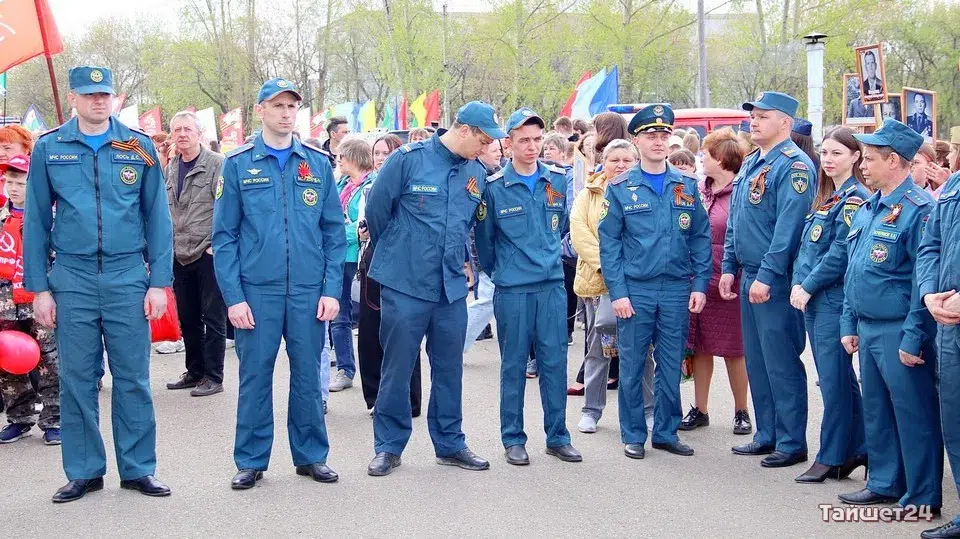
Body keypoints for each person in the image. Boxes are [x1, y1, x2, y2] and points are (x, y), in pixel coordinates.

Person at [24, 66, 174, 502]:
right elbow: (36, 220)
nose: (98, 101)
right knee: (76, 378)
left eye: (104, 94)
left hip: (128, 275)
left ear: (114, 98)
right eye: (89, 94)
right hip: (72, 276)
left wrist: (159, 282)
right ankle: (85, 470)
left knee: (133, 377)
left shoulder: (139, 147)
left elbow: (157, 218)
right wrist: (40, 288)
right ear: (73, 98)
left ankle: (138, 468)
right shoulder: (50, 147)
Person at [213, 78, 346, 490]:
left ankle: (311, 456)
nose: (286, 113)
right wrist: (234, 298)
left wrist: (331, 289)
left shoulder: (317, 164)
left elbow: (333, 232)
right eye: (278, 106)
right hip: (257, 292)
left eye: (292, 106)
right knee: (255, 377)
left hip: (308, 291)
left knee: (307, 376)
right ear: (261, 111)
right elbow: (224, 237)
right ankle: (251, 460)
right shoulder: (238, 164)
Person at [363, 101, 504, 476]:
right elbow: (377, 212)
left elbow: (468, 225)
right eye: (484, 140)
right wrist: (399, 254)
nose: (488, 148)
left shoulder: (475, 172)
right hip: (405, 283)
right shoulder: (408, 160)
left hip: (449, 288)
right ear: (464, 131)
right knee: (397, 368)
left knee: (449, 369)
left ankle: (450, 443)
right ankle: (389, 446)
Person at [836, 119, 942, 511]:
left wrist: (914, 336)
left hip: (899, 328)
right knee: (878, 411)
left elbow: (923, 280)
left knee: (914, 415)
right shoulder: (869, 207)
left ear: (894, 161)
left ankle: (922, 495)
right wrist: (849, 321)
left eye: (870, 159)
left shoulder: (920, 210)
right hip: (868, 325)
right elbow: (855, 270)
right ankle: (884, 481)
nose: (862, 165)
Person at [599, 104, 711, 459]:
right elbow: (609, 244)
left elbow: (700, 237)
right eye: (651, 135)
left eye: (664, 135)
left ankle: (665, 431)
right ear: (637, 141)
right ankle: (633, 433)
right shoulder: (620, 187)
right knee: (633, 364)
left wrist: (700, 284)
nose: (659, 141)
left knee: (671, 362)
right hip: (637, 289)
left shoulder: (686, 185)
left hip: (676, 287)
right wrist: (618, 293)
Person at [474, 107, 581, 466]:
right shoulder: (494, 188)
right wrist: (506, 272)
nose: (532, 147)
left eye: (537, 139)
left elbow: (561, 227)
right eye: (524, 140)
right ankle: (513, 438)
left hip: (551, 286)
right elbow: (485, 244)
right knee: (514, 365)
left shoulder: (557, 181)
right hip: (513, 289)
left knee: (554, 362)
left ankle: (558, 436)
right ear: (508, 144)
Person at [719, 91, 814, 468]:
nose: (753, 122)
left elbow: (788, 230)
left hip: (774, 278)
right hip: (749, 273)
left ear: (785, 123)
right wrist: (729, 265)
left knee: (780, 360)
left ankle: (791, 441)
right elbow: (737, 219)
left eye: (763, 116)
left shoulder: (794, 166)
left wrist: (768, 275)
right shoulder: (752, 161)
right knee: (757, 360)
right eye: (753, 116)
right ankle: (767, 433)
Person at [788, 127, 870, 483]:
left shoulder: (854, 199)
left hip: (832, 299)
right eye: (825, 152)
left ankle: (832, 456)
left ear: (856, 156)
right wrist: (798, 281)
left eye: (837, 153)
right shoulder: (829, 197)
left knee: (834, 382)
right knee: (839, 379)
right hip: (816, 298)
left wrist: (807, 285)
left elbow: (839, 253)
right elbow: (809, 247)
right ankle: (861, 447)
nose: (828, 159)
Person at [679, 128, 751, 436]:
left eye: (705, 154)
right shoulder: (697, 189)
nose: (701, 159)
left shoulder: (742, 192)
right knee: (700, 347)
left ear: (721, 159)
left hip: (729, 281)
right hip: (698, 281)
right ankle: (701, 409)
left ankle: (741, 411)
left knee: (735, 349)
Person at [572, 139, 636, 434]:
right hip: (598, 283)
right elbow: (580, 234)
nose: (620, 165)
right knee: (597, 350)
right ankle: (591, 410)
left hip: (636, 283)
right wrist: (609, 268)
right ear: (603, 163)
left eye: (627, 160)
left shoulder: (642, 191)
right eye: (614, 160)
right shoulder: (589, 194)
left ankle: (645, 411)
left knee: (641, 351)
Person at [356, 134, 422, 416]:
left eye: (387, 153)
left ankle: (408, 399)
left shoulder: (411, 187)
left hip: (404, 263)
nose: (381, 158)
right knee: (370, 332)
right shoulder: (367, 187)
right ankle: (376, 397)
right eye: (377, 153)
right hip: (373, 259)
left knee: (403, 333)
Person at [164, 111, 227, 397]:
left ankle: (213, 376)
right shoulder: (170, 166)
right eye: (177, 130)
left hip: (207, 250)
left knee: (213, 317)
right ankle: (195, 370)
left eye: (187, 129)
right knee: (188, 317)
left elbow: (227, 206)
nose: (182, 134)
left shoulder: (217, 164)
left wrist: (218, 244)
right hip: (179, 252)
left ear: (199, 134)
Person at [0, 154, 60, 445]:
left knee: (50, 361)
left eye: (20, 182)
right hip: (5, 302)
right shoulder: (1, 216)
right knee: (8, 361)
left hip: (39, 299)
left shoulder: (50, 218)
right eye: (8, 181)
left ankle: (54, 419)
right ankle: (19, 417)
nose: (13, 188)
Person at [917, 164, 960, 539]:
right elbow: (931, 245)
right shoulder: (954, 185)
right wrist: (929, 293)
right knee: (956, 423)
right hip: (948, 323)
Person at [329, 138, 376, 392]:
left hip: (360, 259)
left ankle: (375, 374)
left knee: (368, 319)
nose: (338, 161)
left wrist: (336, 234)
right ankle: (345, 369)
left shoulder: (372, 185)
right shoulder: (342, 184)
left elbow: (364, 227)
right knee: (338, 315)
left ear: (355, 158)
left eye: (342, 157)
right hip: (337, 258)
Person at [464, 140, 505, 352]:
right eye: (494, 150)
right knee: (487, 301)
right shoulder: (480, 179)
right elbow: (476, 227)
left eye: (500, 150)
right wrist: (479, 260)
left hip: (498, 254)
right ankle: (455, 341)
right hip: (486, 254)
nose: (499, 154)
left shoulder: (498, 174)